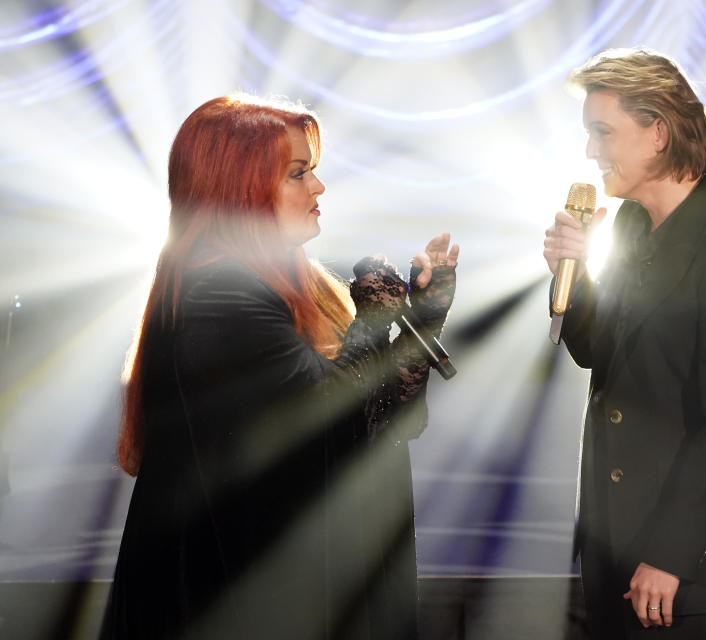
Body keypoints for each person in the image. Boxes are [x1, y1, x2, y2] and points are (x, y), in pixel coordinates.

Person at [100, 94, 458, 640]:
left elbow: (382, 421)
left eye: (313, 171)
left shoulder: (299, 282)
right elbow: (326, 419)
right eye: (298, 174)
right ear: (237, 189)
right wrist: (371, 319)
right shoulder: (218, 292)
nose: (318, 187)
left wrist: (423, 319)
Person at [543, 49, 706, 638]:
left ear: (660, 133)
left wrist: (671, 555)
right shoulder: (631, 223)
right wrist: (572, 272)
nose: (591, 151)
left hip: (683, 570)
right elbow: (598, 350)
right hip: (615, 539)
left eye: (602, 132)